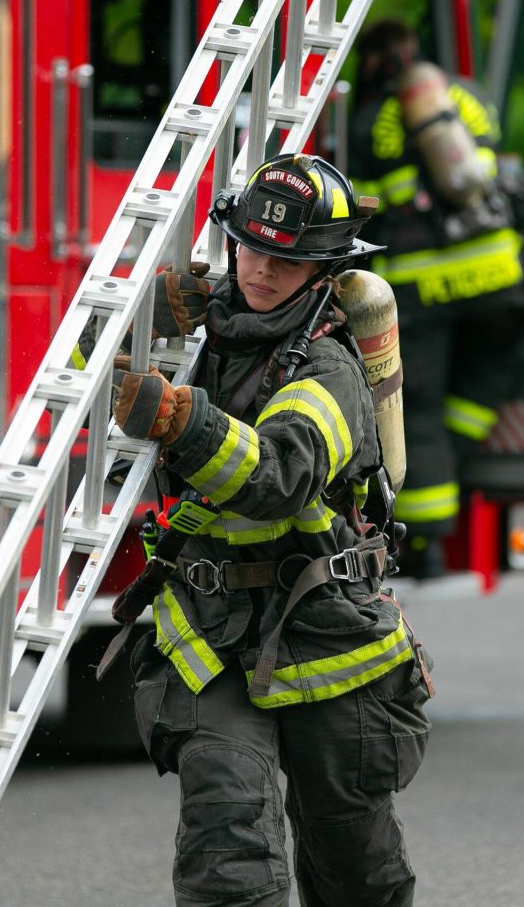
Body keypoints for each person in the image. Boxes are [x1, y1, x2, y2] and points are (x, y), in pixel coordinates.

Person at [110, 153, 433, 907]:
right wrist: (140, 319)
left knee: (355, 865)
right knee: (229, 855)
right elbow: (78, 381)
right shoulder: (200, 332)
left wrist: (180, 421)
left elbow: (275, 478)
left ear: (323, 270)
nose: (259, 270)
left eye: (285, 260)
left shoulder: (328, 368)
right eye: (250, 247)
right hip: (210, 639)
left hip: (326, 638)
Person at [347, 18, 524, 580]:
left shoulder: (375, 118)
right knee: (480, 386)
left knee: (419, 409)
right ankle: (453, 467)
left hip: (426, 286)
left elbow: (360, 186)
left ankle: (422, 543)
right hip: (505, 280)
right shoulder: (466, 98)